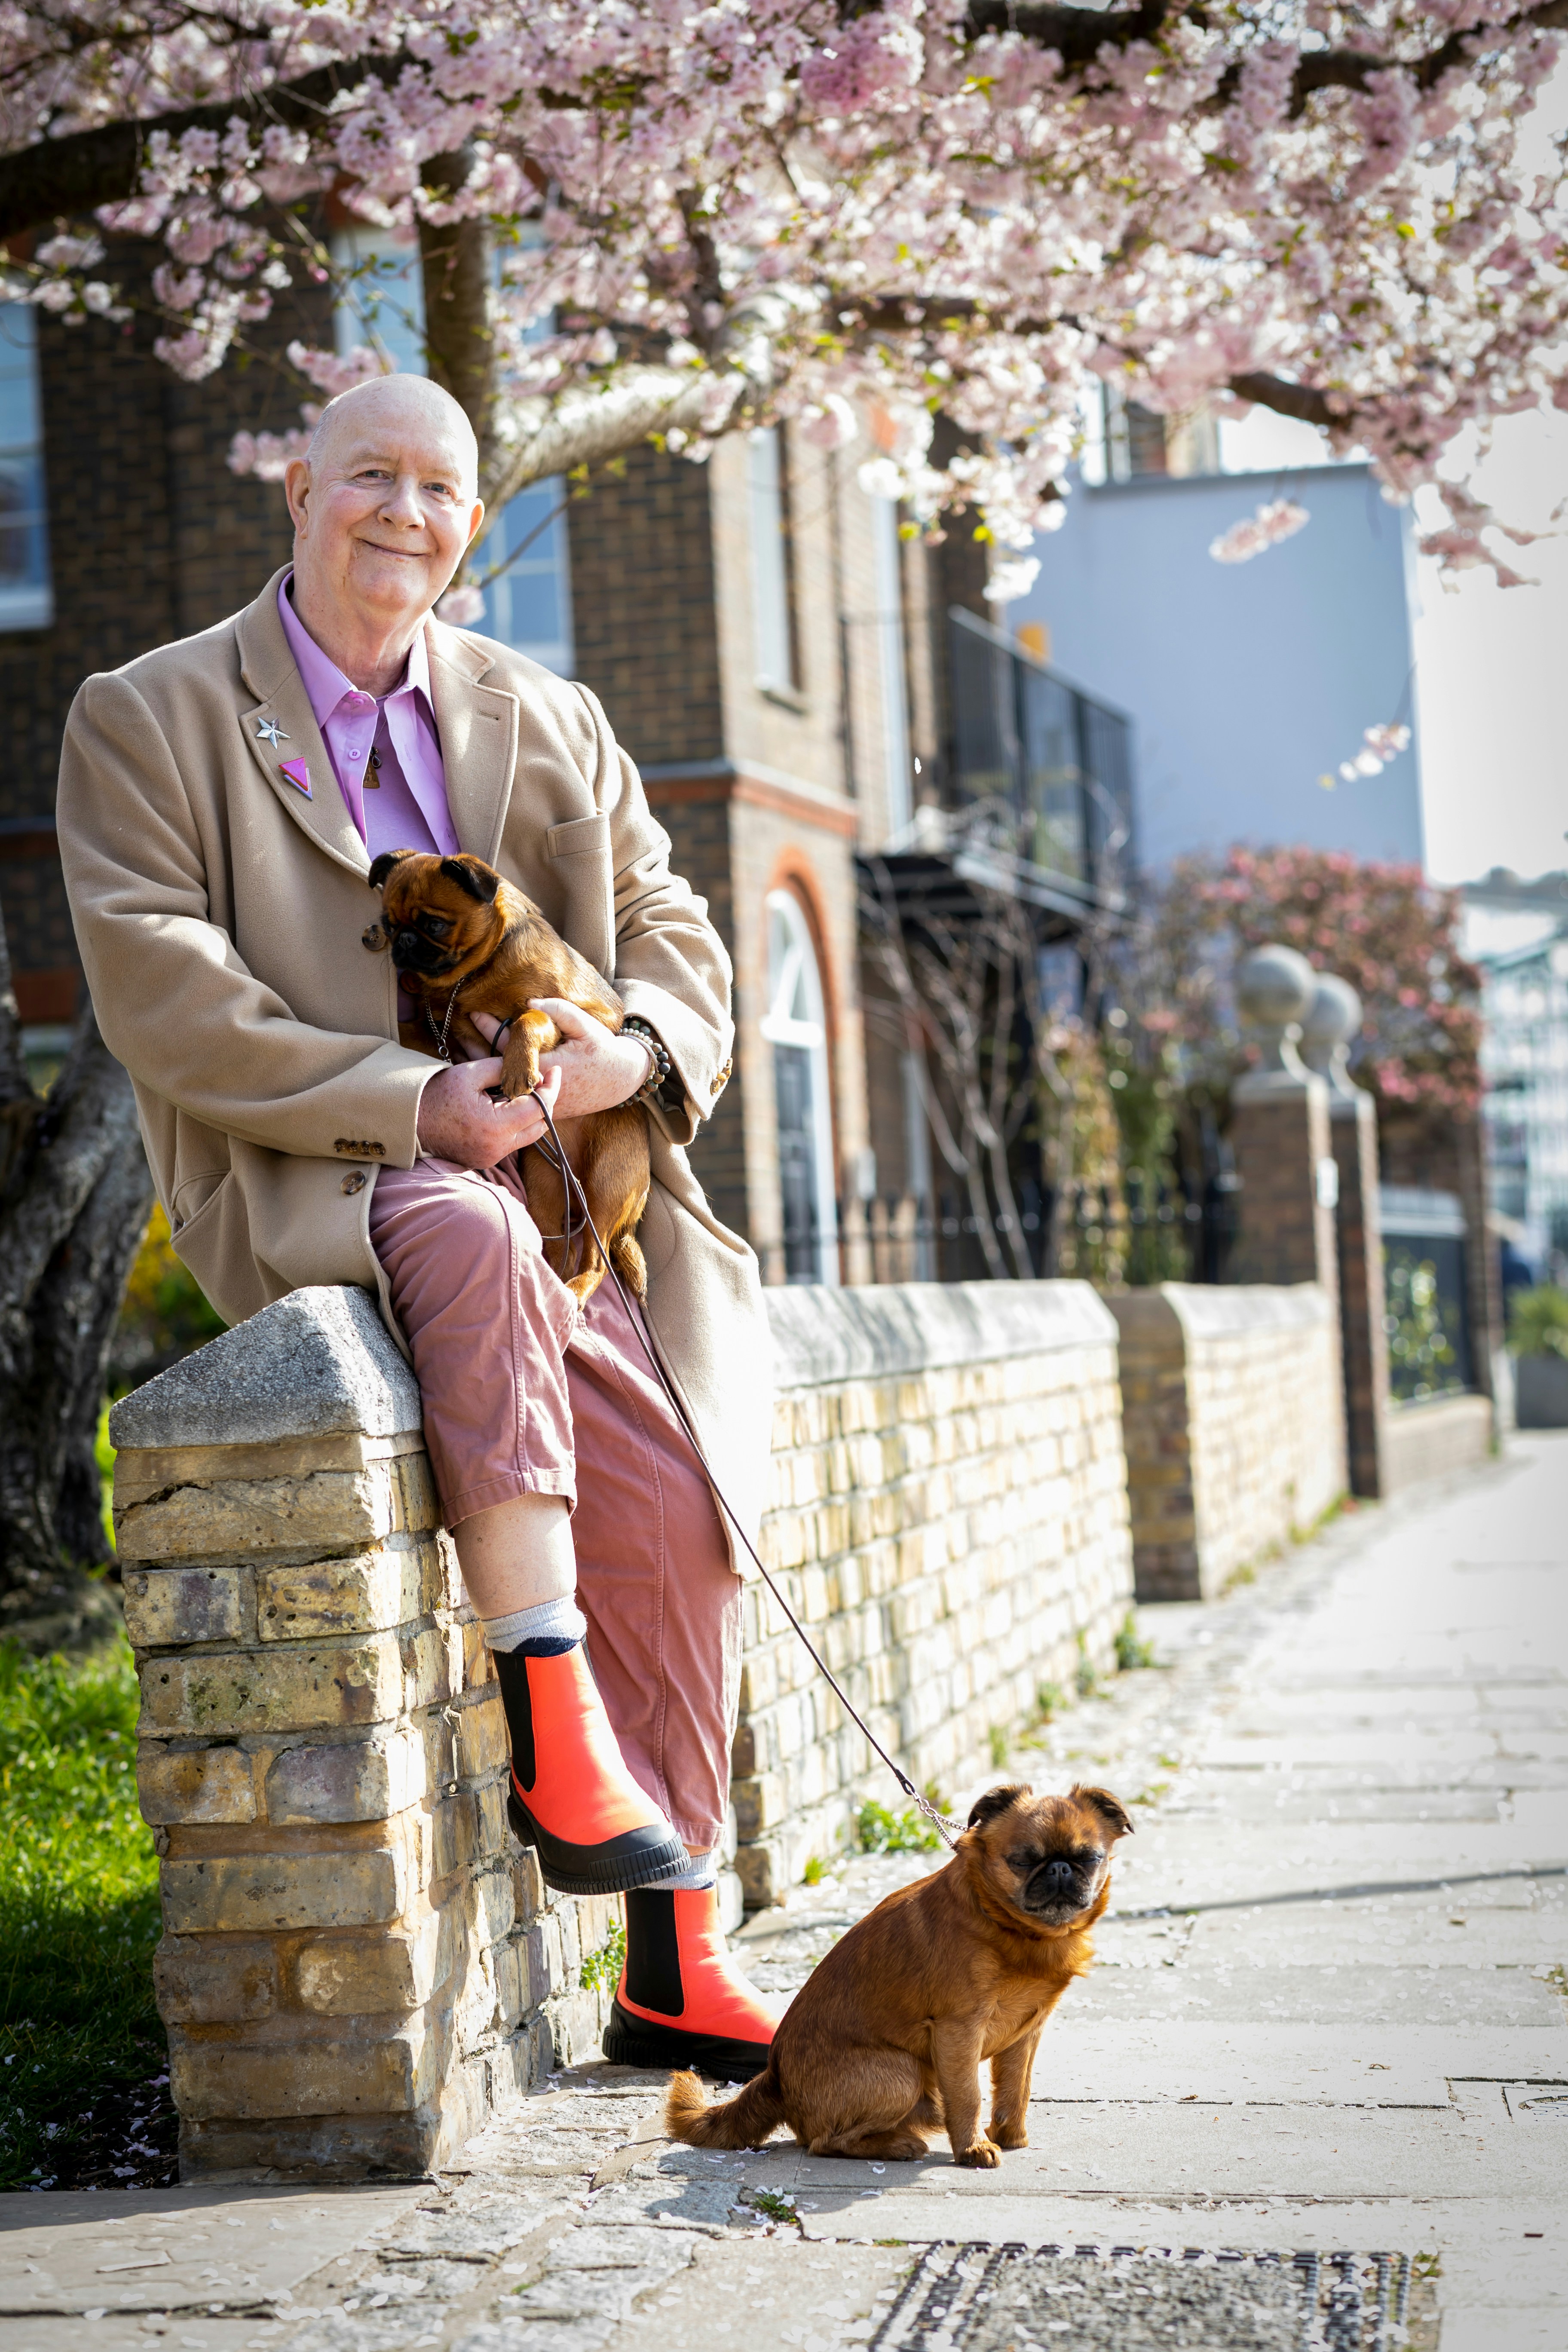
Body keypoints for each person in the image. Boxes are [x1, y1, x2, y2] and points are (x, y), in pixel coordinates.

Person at [58, 374, 778, 2077]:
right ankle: (551, 1723)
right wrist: (410, 1105)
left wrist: (640, 1052)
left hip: (567, 1196)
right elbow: (166, 993)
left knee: (677, 1498)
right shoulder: (149, 714)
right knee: (451, 1229)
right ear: (296, 488)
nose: (405, 513)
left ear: (471, 520)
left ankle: (674, 1946)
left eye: (440, 488)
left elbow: (675, 916)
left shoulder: (546, 711)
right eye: (369, 474)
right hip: (326, 1172)